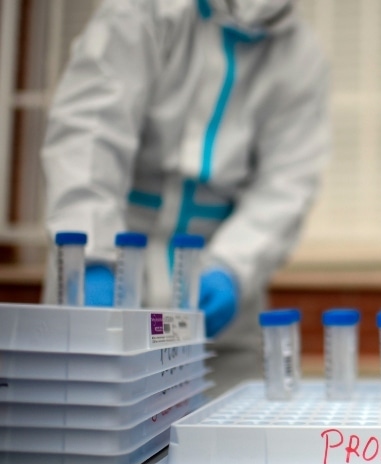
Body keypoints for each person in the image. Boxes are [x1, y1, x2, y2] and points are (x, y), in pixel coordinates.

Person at [41, 0, 329, 351]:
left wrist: (233, 268)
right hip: (113, 264)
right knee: (88, 390)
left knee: (225, 402)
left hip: (219, 298)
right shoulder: (141, 11)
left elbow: (287, 182)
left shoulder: (301, 55)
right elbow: (88, 135)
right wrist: (91, 256)